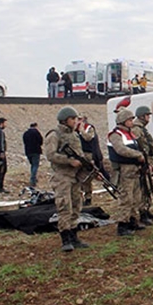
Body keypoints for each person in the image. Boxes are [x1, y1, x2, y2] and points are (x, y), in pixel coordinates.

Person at [45, 107, 90, 252]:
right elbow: (51, 155)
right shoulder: (54, 135)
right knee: (65, 207)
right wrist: (68, 161)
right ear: (65, 120)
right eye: (73, 119)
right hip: (62, 176)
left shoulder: (74, 136)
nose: (75, 121)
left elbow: (79, 154)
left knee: (76, 206)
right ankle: (65, 239)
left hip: (75, 176)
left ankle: (74, 236)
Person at [108, 108, 145, 236]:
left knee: (136, 197)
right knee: (126, 198)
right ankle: (122, 224)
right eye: (129, 120)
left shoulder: (129, 134)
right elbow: (120, 150)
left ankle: (133, 221)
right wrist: (137, 155)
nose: (132, 122)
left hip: (134, 170)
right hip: (124, 171)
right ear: (123, 121)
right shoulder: (116, 135)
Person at [132, 105, 153, 224]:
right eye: (147, 115)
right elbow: (141, 148)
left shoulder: (141, 128)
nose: (149, 118)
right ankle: (143, 213)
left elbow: (148, 148)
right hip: (141, 163)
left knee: (147, 187)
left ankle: (146, 210)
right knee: (143, 189)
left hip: (146, 161)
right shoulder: (137, 129)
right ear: (142, 116)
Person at [76, 113, 99, 206]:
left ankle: (88, 197)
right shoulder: (74, 129)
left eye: (80, 119)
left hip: (88, 154)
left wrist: (81, 130)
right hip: (78, 154)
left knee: (86, 177)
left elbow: (88, 138)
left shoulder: (89, 128)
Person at [22, 123, 43, 188]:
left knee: (33, 165)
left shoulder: (25, 133)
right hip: (36, 151)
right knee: (35, 165)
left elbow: (24, 142)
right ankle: (32, 180)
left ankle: (33, 178)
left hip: (28, 151)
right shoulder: (36, 132)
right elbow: (41, 141)